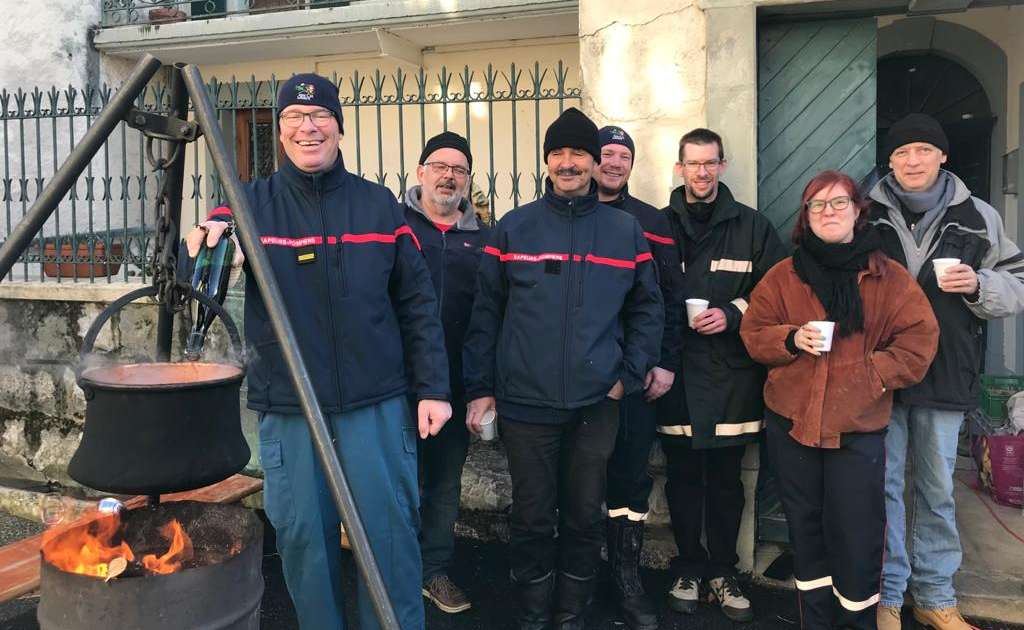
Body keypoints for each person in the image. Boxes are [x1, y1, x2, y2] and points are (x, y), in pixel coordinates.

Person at [185, 73, 452, 630]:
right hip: (290, 410)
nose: (308, 128)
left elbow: (417, 303)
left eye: (319, 116)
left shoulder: (378, 206)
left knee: (390, 539)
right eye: (293, 119)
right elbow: (202, 269)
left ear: (339, 126)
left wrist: (433, 388)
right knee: (305, 543)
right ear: (280, 132)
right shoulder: (248, 207)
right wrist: (208, 236)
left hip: (375, 406)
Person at [463, 107, 664, 630]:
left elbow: (648, 308)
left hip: (597, 404)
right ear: (547, 161)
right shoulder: (514, 229)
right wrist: (481, 388)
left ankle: (571, 615)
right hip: (526, 405)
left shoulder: (625, 232)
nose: (568, 162)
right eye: (559, 153)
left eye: (579, 153)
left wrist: (627, 375)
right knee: (531, 517)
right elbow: (486, 313)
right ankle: (534, 616)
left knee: (583, 515)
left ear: (596, 164)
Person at [740, 170, 939, 630]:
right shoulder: (783, 276)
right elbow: (753, 333)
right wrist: (790, 339)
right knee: (806, 533)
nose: (828, 212)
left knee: (857, 537)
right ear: (805, 217)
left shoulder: (888, 277)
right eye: (817, 205)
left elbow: (919, 342)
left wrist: (870, 374)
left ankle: (857, 624)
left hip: (858, 428)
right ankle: (816, 621)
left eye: (838, 203)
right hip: (792, 424)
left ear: (857, 211)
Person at [867, 113, 1024, 630]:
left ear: (942, 156)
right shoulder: (865, 213)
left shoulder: (979, 216)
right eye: (902, 152)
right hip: (882, 371)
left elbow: (1016, 286)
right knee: (885, 485)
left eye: (923, 150)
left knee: (936, 487)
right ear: (889, 161)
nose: (912, 161)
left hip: (947, 368)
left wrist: (978, 284)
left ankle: (935, 595)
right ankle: (887, 595)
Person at [657, 127, 786, 622]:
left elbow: (776, 294)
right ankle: (688, 567)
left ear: (722, 165)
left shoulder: (753, 227)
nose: (702, 172)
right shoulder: (657, 225)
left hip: (732, 375)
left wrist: (732, 312)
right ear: (679, 167)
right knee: (683, 476)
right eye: (693, 164)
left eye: (711, 163)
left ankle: (723, 572)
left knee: (729, 481)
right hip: (677, 375)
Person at [594, 125, 683, 630]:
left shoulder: (652, 222)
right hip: (579, 378)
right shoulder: (566, 214)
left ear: (631, 165)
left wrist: (665, 362)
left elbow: (669, 299)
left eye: (621, 156)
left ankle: (626, 579)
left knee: (629, 475)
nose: (612, 163)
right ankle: (582, 573)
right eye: (605, 154)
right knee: (579, 478)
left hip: (634, 376)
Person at [400, 131, 489, 614]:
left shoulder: (483, 240)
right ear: (420, 172)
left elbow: (490, 320)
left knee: (442, 484)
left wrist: (482, 389)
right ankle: (394, 569)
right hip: (393, 386)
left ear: (468, 180)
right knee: (395, 481)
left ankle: (433, 570)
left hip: (454, 388)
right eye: (439, 165)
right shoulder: (392, 226)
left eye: (458, 168)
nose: (448, 175)